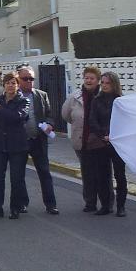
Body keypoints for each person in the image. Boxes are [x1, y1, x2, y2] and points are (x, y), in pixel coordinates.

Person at [0, 73, 30, 220]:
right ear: (4, 85)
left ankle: (15, 208)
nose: (11, 85)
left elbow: (17, 117)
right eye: (8, 83)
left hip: (17, 146)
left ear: (17, 85)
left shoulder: (24, 101)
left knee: (16, 179)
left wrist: (0, 109)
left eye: (13, 83)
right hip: (0, 146)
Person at [14, 64, 59, 215]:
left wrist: (50, 125)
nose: (29, 81)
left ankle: (51, 204)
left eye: (31, 78)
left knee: (45, 172)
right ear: (18, 79)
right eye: (25, 78)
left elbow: (49, 115)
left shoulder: (41, 95)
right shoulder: (13, 96)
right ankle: (22, 203)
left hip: (38, 139)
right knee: (19, 174)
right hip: (20, 140)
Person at [61, 66, 104, 212]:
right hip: (82, 141)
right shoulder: (75, 97)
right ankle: (90, 202)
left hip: (101, 142)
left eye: (92, 78)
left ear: (98, 81)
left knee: (103, 173)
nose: (88, 80)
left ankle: (106, 203)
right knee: (87, 173)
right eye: (86, 78)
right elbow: (65, 115)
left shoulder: (103, 96)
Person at [90, 71, 127, 217]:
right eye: (103, 83)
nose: (105, 86)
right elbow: (92, 121)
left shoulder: (120, 101)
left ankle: (121, 206)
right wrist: (102, 135)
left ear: (114, 84)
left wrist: (113, 135)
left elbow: (125, 122)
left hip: (117, 143)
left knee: (120, 175)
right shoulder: (96, 101)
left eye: (108, 83)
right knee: (102, 175)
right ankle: (105, 205)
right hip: (101, 142)